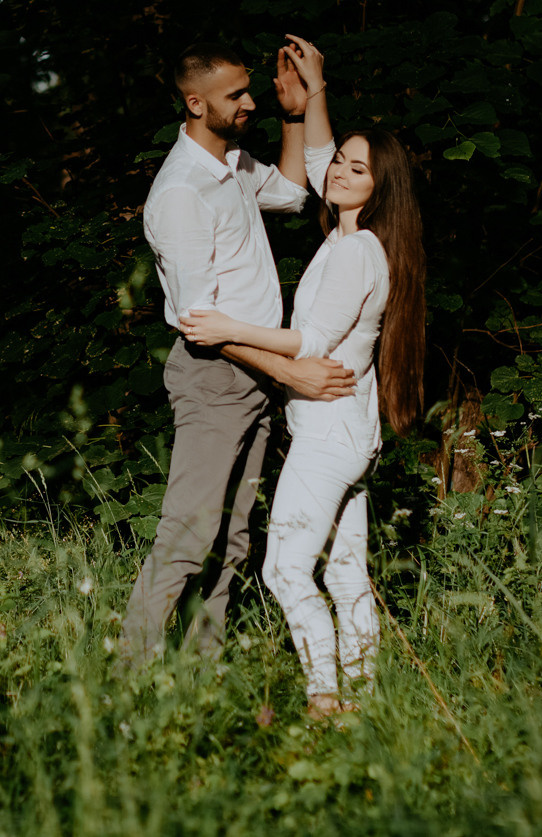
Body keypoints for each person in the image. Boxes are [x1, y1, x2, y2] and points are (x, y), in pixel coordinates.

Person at [180, 35, 425, 719]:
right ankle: (367, 700)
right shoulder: (354, 236)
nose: (340, 173)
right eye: (343, 162)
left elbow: (311, 340)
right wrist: (313, 95)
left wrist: (230, 327)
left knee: (286, 569)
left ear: (381, 188)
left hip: (329, 437)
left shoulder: (356, 254)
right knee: (344, 572)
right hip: (350, 431)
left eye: (358, 169)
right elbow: (318, 164)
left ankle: (325, 698)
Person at [121, 40, 357, 665]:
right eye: (237, 96)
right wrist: (289, 370)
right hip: (215, 375)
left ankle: (204, 671)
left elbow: (291, 192)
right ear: (195, 103)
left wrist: (295, 114)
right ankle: (124, 676)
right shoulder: (182, 192)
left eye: (250, 91)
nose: (249, 101)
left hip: (253, 375)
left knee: (232, 538)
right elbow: (200, 323)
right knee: (188, 534)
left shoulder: (230, 166)